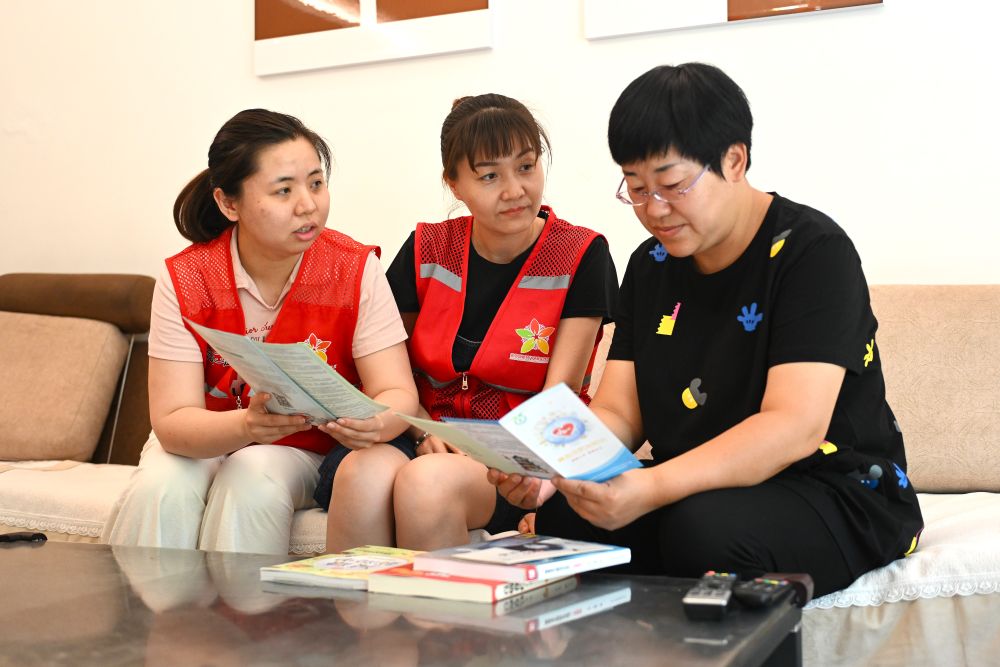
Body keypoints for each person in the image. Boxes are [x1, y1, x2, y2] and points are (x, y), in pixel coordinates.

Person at [493, 64, 923, 597]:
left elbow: (794, 426)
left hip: (832, 486)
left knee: (703, 533)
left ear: (734, 160)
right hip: (697, 486)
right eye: (636, 188)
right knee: (568, 519)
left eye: (673, 185)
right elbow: (621, 411)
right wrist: (552, 468)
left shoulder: (813, 252)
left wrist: (651, 485)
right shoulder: (650, 264)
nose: (654, 210)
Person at [102, 109, 418, 555]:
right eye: (284, 190)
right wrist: (247, 425)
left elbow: (398, 392)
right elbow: (173, 422)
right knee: (161, 487)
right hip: (206, 437)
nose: (307, 205)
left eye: (316, 183)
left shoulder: (354, 269)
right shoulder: (186, 277)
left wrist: (375, 423)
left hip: (303, 448)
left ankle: (242, 604)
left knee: (252, 477)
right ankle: (144, 604)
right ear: (229, 204)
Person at [318, 93, 617, 550]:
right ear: (454, 184)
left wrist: (478, 451)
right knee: (360, 475)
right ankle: (357, 602)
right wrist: (423, 430)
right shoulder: (426, 248)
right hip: (421, 430)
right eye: (490, 176)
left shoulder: (581, 254)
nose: (515, 190)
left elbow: (560, 397)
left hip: (514, 455)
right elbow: (389, 371)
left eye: (526, 167)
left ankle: (437, 603)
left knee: (428, 482)